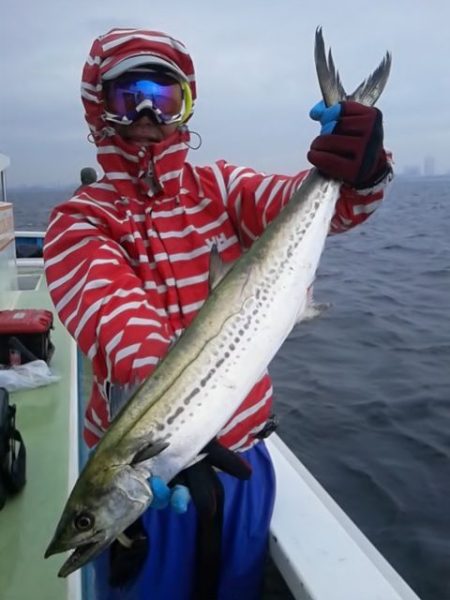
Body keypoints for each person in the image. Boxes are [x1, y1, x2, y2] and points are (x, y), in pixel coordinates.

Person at [43, 27, 393, 600]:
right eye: (129, 98)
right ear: (98, 110)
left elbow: (334, 211)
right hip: (156, 497)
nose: (150, 112)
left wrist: (359, 164)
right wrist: (178, 444)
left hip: (244, 467)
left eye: (165, 94)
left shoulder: (222, 186)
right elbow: (124, 329)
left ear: (187, 103)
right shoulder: (78, 223)